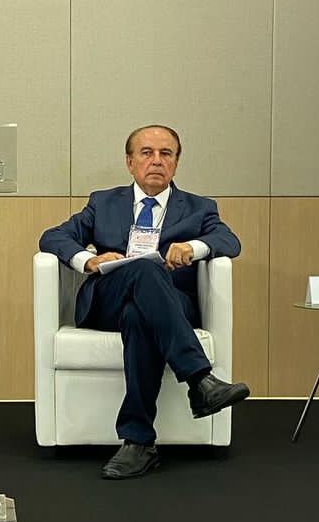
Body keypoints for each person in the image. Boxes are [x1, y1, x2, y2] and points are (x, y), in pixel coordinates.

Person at [39, 124, 249, 478]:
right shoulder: (103, 202)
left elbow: (229, 241)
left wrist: (193, 247)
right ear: (130, 162)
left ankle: (138, 442)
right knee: (144, 269)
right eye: (146, 153)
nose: (156, 161)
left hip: (169, 305)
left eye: (166, 154)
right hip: (107, 300)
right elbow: (53, 236)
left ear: (176, 163)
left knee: (140, 316)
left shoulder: (198, 208)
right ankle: (199, 380)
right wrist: (88, 260)